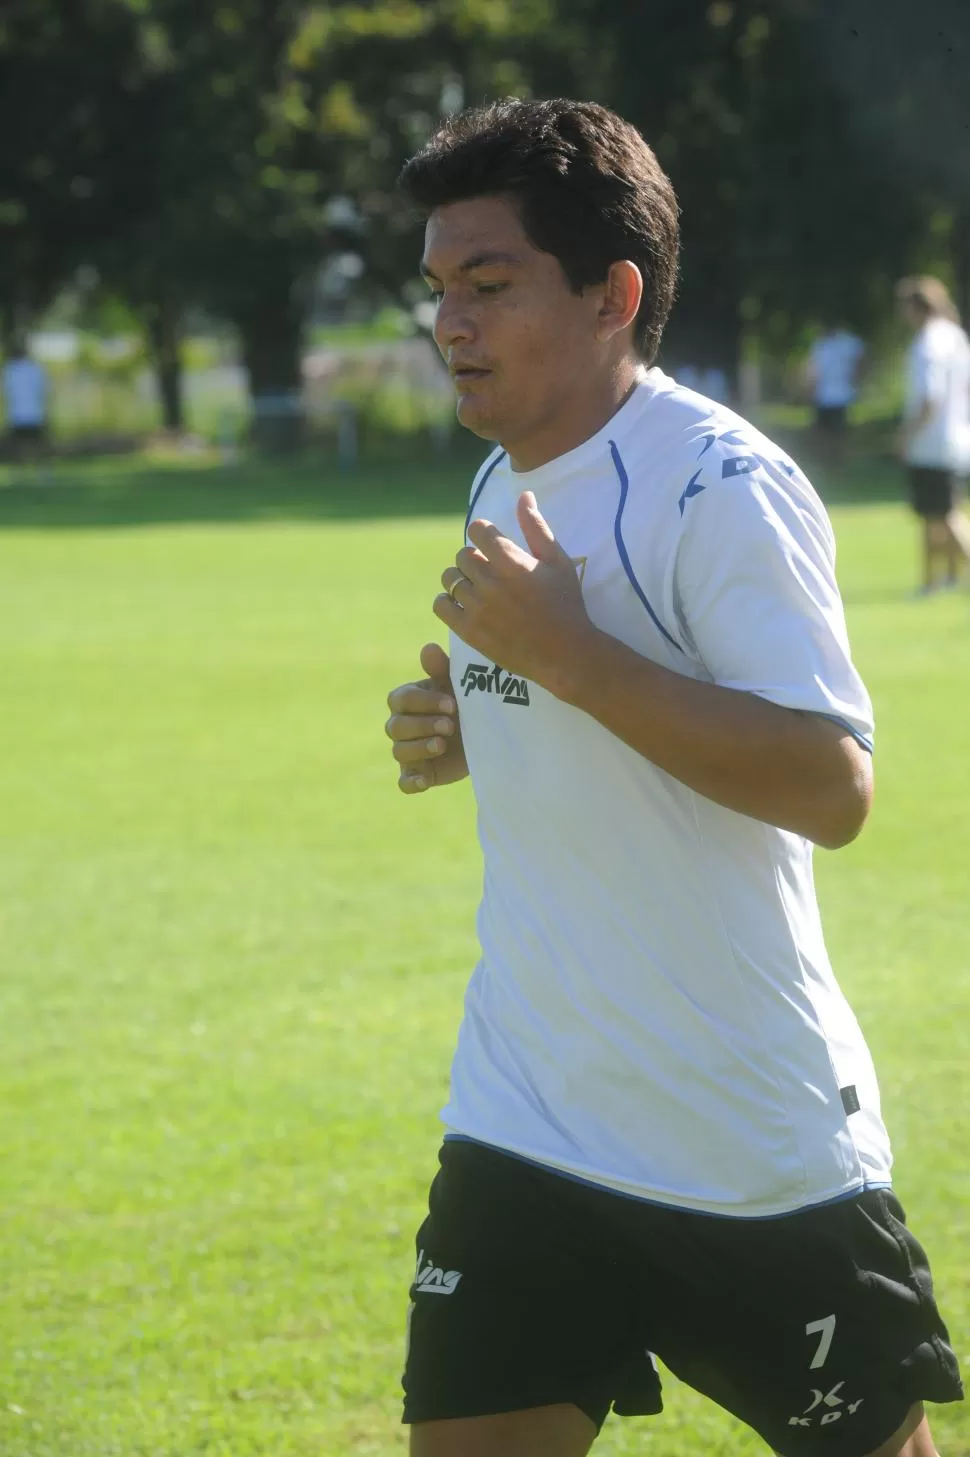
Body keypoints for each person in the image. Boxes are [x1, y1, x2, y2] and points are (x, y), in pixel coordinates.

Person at [384, 99, 962, 1457]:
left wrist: (566, 662)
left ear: (610, 294)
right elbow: (592, 699)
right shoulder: (496, 478)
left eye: (489, 284)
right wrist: (485, 714)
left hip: (742, 1143)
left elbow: (830, 781)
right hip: (526, 1114)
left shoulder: (721, 487)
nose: (448, 325)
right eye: (437, 292)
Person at [895, 277, 970, 594]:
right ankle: (947, 578)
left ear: (916, 307)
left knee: (939, 514)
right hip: (958, 434)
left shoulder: (927, 343)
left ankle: (930, 581)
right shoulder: (954, 335)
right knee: (944, 509)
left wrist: (906, 435)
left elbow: (929, 397)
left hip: (932, 441)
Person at [805, 322, 865, 464]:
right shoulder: (823, 344)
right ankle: (830, 461)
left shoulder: (843, 342)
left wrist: (856, 378)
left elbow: (862, 358)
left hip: (836, 396)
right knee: (829, 434)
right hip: (828, 396)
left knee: (835, 434)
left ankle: (835, 462)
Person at [2, 338, 49, 474]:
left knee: (17, 446)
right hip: (35, 414)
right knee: (37, 446)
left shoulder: (9, 370)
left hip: (17, 415)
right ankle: (43, 472)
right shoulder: (35, 369)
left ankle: (19, 472)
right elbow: (44, 392)